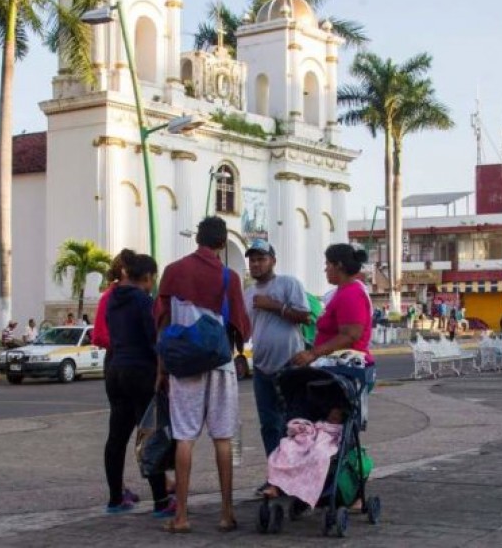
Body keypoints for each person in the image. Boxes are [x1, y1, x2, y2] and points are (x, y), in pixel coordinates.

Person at [154, 217, 251, 534]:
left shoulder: (173, 271)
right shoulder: (228, 277)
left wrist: (163, 366)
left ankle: (181, 516)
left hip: (184, 365)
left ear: (197, 239)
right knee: (223, 438)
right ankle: (226, 513)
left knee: (184, 438)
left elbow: (161, 320)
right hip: (219, 364)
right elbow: (241, 328)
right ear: (222, 244)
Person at [103, 252, 174, 518]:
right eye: (151, 279)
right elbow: (152, 339)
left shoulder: (111, 300)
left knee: (116, 438)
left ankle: (115, 498)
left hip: (115, 370)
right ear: (146, 277)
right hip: (141, 373)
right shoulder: (144, 302)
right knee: (151, 436)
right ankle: (161, 501)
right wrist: (164, 370)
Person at [243, 239, 310, 491]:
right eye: (252, 260)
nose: (256, 264)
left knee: (293, 424)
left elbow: (304, 316)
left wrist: (275, 306)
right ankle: (276, 477)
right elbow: (246, 329)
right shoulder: (248, 293)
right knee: (269, 425)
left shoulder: (288, 283)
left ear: (273, 260)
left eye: (261, 259)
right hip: (261, 368)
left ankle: (296, 476)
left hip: (290, 366)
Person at [292, 244, 374, 369]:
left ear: (339, 265)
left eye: (328, 264)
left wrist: (313, 353)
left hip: (345, 367)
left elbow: (350, 335)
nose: (326, 270)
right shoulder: (342, 292)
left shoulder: (351, 294)